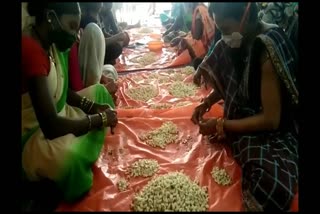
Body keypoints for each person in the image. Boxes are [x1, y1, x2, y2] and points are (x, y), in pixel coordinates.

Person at [191, 3, 298, 211]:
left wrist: (222, 124)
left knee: (270, 184)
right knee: (222, 48)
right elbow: (235, 83)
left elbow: (271, 119)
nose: (224, 36)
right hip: (244, 114)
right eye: (220, 30)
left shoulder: (266, 48)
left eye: (227, 30)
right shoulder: (237, 40)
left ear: (246, 18)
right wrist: (207, 102)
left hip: (273, 129)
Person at [22, 2, 118, 202]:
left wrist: (93, 107)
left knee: (99, 92)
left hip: (60, 113)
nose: (76, 35)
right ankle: (79, 159)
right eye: (72, 26)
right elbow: (50, 126)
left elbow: (65, 93)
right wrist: (98, 119)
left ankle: (87, 143)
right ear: (51, 18)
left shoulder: (54, 44)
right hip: (36, 133)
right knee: (70, 159)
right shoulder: (30, 50)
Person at [69, 23, 118, 103]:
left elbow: (91, 62)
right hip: (80, 94)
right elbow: (78, 94)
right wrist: (104, 89)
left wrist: (102, 77)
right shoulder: (70, 48)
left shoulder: (76, 41)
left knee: (110, 69)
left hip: (89, 81)